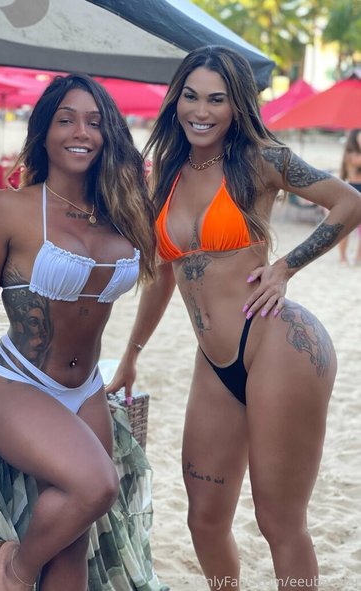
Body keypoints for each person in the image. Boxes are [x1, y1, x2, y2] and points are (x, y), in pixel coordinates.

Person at [106, 46, 361, 591]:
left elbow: (348, 201)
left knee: (279, 522)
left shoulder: (262, 158)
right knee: (204, 519)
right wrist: (131, 355)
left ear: (237, 104)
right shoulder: (168, 172)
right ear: (176, 100)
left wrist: (286, 267)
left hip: (280, 347)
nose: (201, 111)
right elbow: (163, 275)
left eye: (217, 99)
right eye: (191, 96)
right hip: (215, 360)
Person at [0, 73, 156, 591]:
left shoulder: (124, 212)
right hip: (16, 383)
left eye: (94, 122)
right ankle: (11, 568)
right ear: (44, 131)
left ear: (109, 134)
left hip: (87, 389)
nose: (81, 132)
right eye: (66, 120)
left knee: (72, 549)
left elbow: (168, 271)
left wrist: (133, 354)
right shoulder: (9, 209)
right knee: (96, 486)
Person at [338, 129, 361, 265]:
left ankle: (358, 257)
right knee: (346, 228)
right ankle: (343, 257)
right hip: (353, 189)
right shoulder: (351, 155)